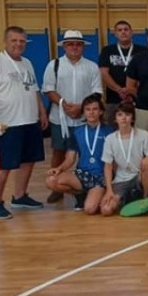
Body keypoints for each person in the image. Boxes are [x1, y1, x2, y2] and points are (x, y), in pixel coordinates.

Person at [0, 26, 48, 219]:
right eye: (14, 40)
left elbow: (33, 90)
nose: (18, 44)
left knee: (28, 160)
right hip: (6, 124)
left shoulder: (27, 63)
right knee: (2, 165)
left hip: (29, 121)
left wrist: (42, 111)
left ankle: (20, 196)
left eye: (22, 41)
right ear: (5, 41)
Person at [42, 29, 103, 203]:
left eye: (78, 44)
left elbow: (97, 92)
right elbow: (48, 89)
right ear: (64, 47)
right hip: (59, 118)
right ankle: (58, 188)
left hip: (85, 118)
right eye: (71, 44)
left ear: (83, 46)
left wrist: (81, 108)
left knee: (88, 152)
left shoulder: (92, 66)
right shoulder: (54, 65)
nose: (74, 47)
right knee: (59, 151)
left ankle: (87, 184)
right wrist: (64, 104)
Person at [45, 95, 113, 213]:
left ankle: (96, 194)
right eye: (88, 109)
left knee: (90, 209)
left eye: (95, 109)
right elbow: (70, 158)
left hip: (100, 177)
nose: (91, 112)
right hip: (82, 175)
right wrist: (59, 168)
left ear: (101, 111)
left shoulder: (110, 131)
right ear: (83, 112)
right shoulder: (77, 132)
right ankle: (80, 194)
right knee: (51, 181)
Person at [100, 103, 148, 215]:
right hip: (121, 180)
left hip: (138, 177)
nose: (124, 118)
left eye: (127, 114)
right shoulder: (110, 139)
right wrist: (109, 190)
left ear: (133, 118)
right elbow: (108, 166)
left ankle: (146, 199)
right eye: (120, 115)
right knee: (106, 210)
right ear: (115, 119)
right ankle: (127, 198)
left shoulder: (144, 135)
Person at [98, 20, 147, 125]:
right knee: (112, 129)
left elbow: (146, 73)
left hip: (137, 99)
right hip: (113, 99)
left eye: (126, 29)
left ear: (132, 32)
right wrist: (119, 90)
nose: (123, 32)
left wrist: (131, 90)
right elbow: (104, 73)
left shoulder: (143, 50)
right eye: (119, 30)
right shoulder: (107, 50)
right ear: (115, 34)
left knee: (138, 129)